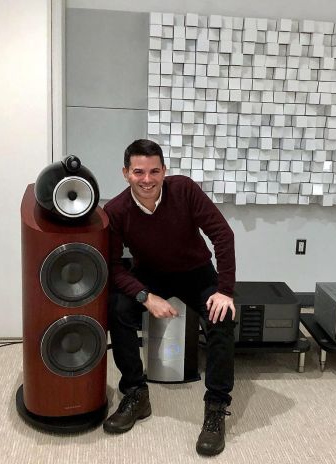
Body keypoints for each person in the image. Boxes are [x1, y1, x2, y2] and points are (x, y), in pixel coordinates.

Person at [102, 139, 236, 456]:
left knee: (221, 317)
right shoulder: (115, 210)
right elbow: (114, 267)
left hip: (195, 271)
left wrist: (225, 291)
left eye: (154, 171)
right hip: (150, 273)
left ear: (164, 170)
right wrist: (145, 297)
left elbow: (222, 235)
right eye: (138, 172)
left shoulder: (184, 190)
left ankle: (216, 407)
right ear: (125, 173)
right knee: (117, 307)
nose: (147, 179)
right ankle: (136, 393)